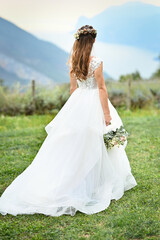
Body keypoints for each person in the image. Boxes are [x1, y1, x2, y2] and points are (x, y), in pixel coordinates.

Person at [0, 25, 137, 217]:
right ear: (93, 41)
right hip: (93, 103)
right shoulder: (96, 62)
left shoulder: (73, 61)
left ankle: (84, 181)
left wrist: (73, 111)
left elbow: (73, 89)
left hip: (78, 103)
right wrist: (106, 115)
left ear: (78, 41)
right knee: (95, 141)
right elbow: (101, 88)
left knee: (77, 143)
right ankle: (94, 183)